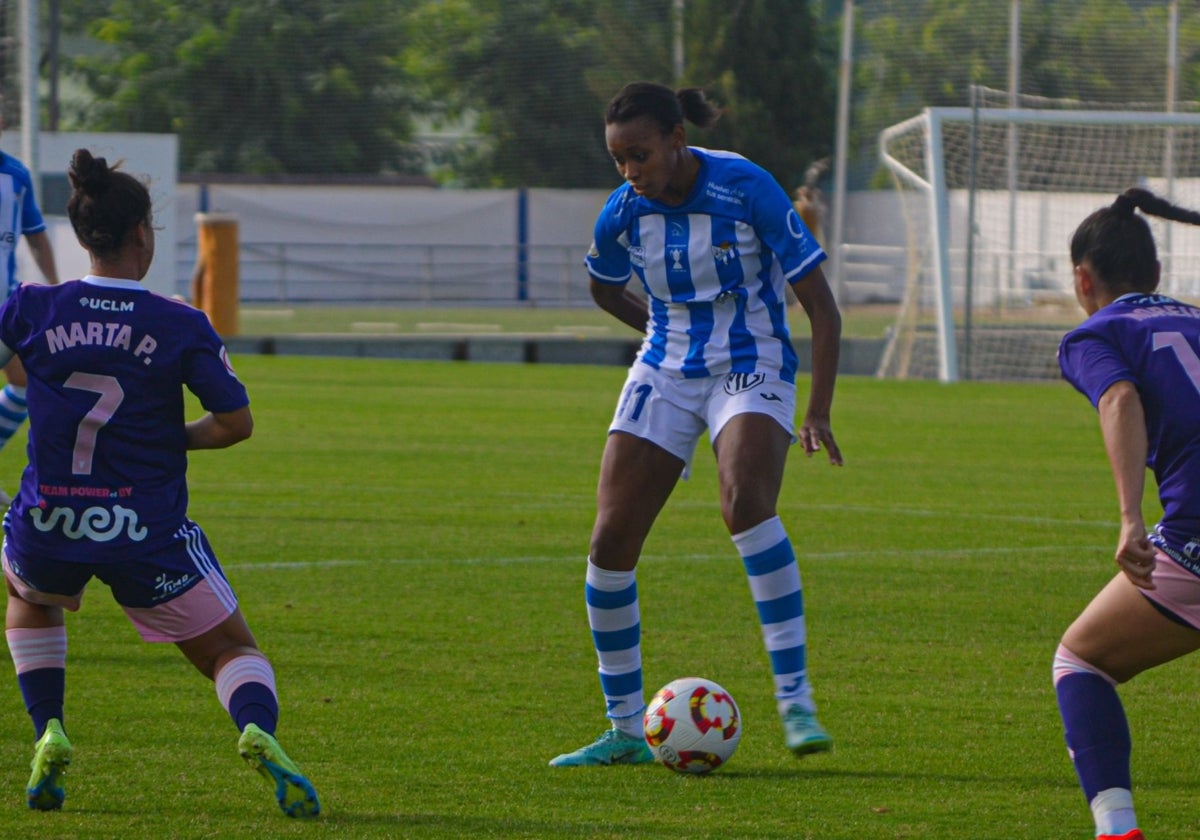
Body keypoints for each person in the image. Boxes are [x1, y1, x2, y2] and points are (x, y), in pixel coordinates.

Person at [0, 149, 319, 817]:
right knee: (230, 649)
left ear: (81, 235)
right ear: (142, 233)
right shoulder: (176, 322)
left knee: (29, 592)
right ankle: (254, 727)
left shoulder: (30, 306)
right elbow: (236, 424)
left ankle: (50, 728)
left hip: (52, 519)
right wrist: (173, 437)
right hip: (144, 528)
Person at [549, 82, 843, 768]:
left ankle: (796, 700)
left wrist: (819, 410)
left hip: (752, 359)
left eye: (640, 155)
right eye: (619, 159)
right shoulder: (622, 213)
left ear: (677, 140)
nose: (630, 172)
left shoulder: (746, 187)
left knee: (744, 503)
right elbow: (600, 283)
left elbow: (823, 310)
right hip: (667, 367)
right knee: (608, 541)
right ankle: (624, 729)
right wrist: (653, 327)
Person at [1054, 187, 1200, 840]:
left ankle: (1118, 831)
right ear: (1159, 275)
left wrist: (1129, 517)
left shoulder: (1097, 332)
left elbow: (1118, 399)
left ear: (1084, 279)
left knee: (1081, 661)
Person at [0, 122, 60, 500]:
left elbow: (36, 236)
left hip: (3, 307)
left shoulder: (16, 176)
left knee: (25, 381)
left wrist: (55, 290)